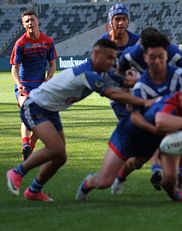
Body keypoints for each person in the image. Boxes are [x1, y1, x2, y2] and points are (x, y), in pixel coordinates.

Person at [6, 39, 153, 202]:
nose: (112, 62)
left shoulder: (100, 72)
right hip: (34, 106)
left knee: (61, 156)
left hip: (51, 111)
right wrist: (145, 102)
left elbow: (122, 81)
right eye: (109, 58)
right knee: (55, 148)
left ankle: (34, 190)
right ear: (95, 55)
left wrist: (144, 83)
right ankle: (17, 172)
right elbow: (113, 93)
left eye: (114, 58)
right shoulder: (87, 74)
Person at [76, 80, 182, 208]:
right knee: (105, 181)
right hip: (128, 136)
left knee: (170, 180)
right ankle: (88, 182)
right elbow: (161, 121)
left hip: (154, 140)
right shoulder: (170, 103)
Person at [110, 28, 182, 194]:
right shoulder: (132, 54)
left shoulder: (175, 55)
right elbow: (118, 72)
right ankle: (122, 175)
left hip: (170, 98)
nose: (155, 59)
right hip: (146, 100)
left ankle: (179, 174)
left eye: (159, 55)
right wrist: (128, 90)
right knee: (139, 159)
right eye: (149, 54)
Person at [10, 9, 57, 160]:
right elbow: (14, 69)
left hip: (41, 86)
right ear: (24, 25)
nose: (30, 23)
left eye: (32, 20)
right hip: (24, 85)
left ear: (38, 21)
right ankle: (25, 144)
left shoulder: (48, 41)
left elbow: (53, 64)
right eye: (27, 21)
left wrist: (49, 77)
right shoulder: (20, 43)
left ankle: (30, 147)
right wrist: (19, 84)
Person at [99, 3, 140, 121]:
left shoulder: (137, 41)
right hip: (116, 92)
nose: (121, 22)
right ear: (111, 22)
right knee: (129, 124)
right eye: (117, 19)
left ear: (128, 21)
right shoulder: (103, 43)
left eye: (124, 19)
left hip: (136, 89)